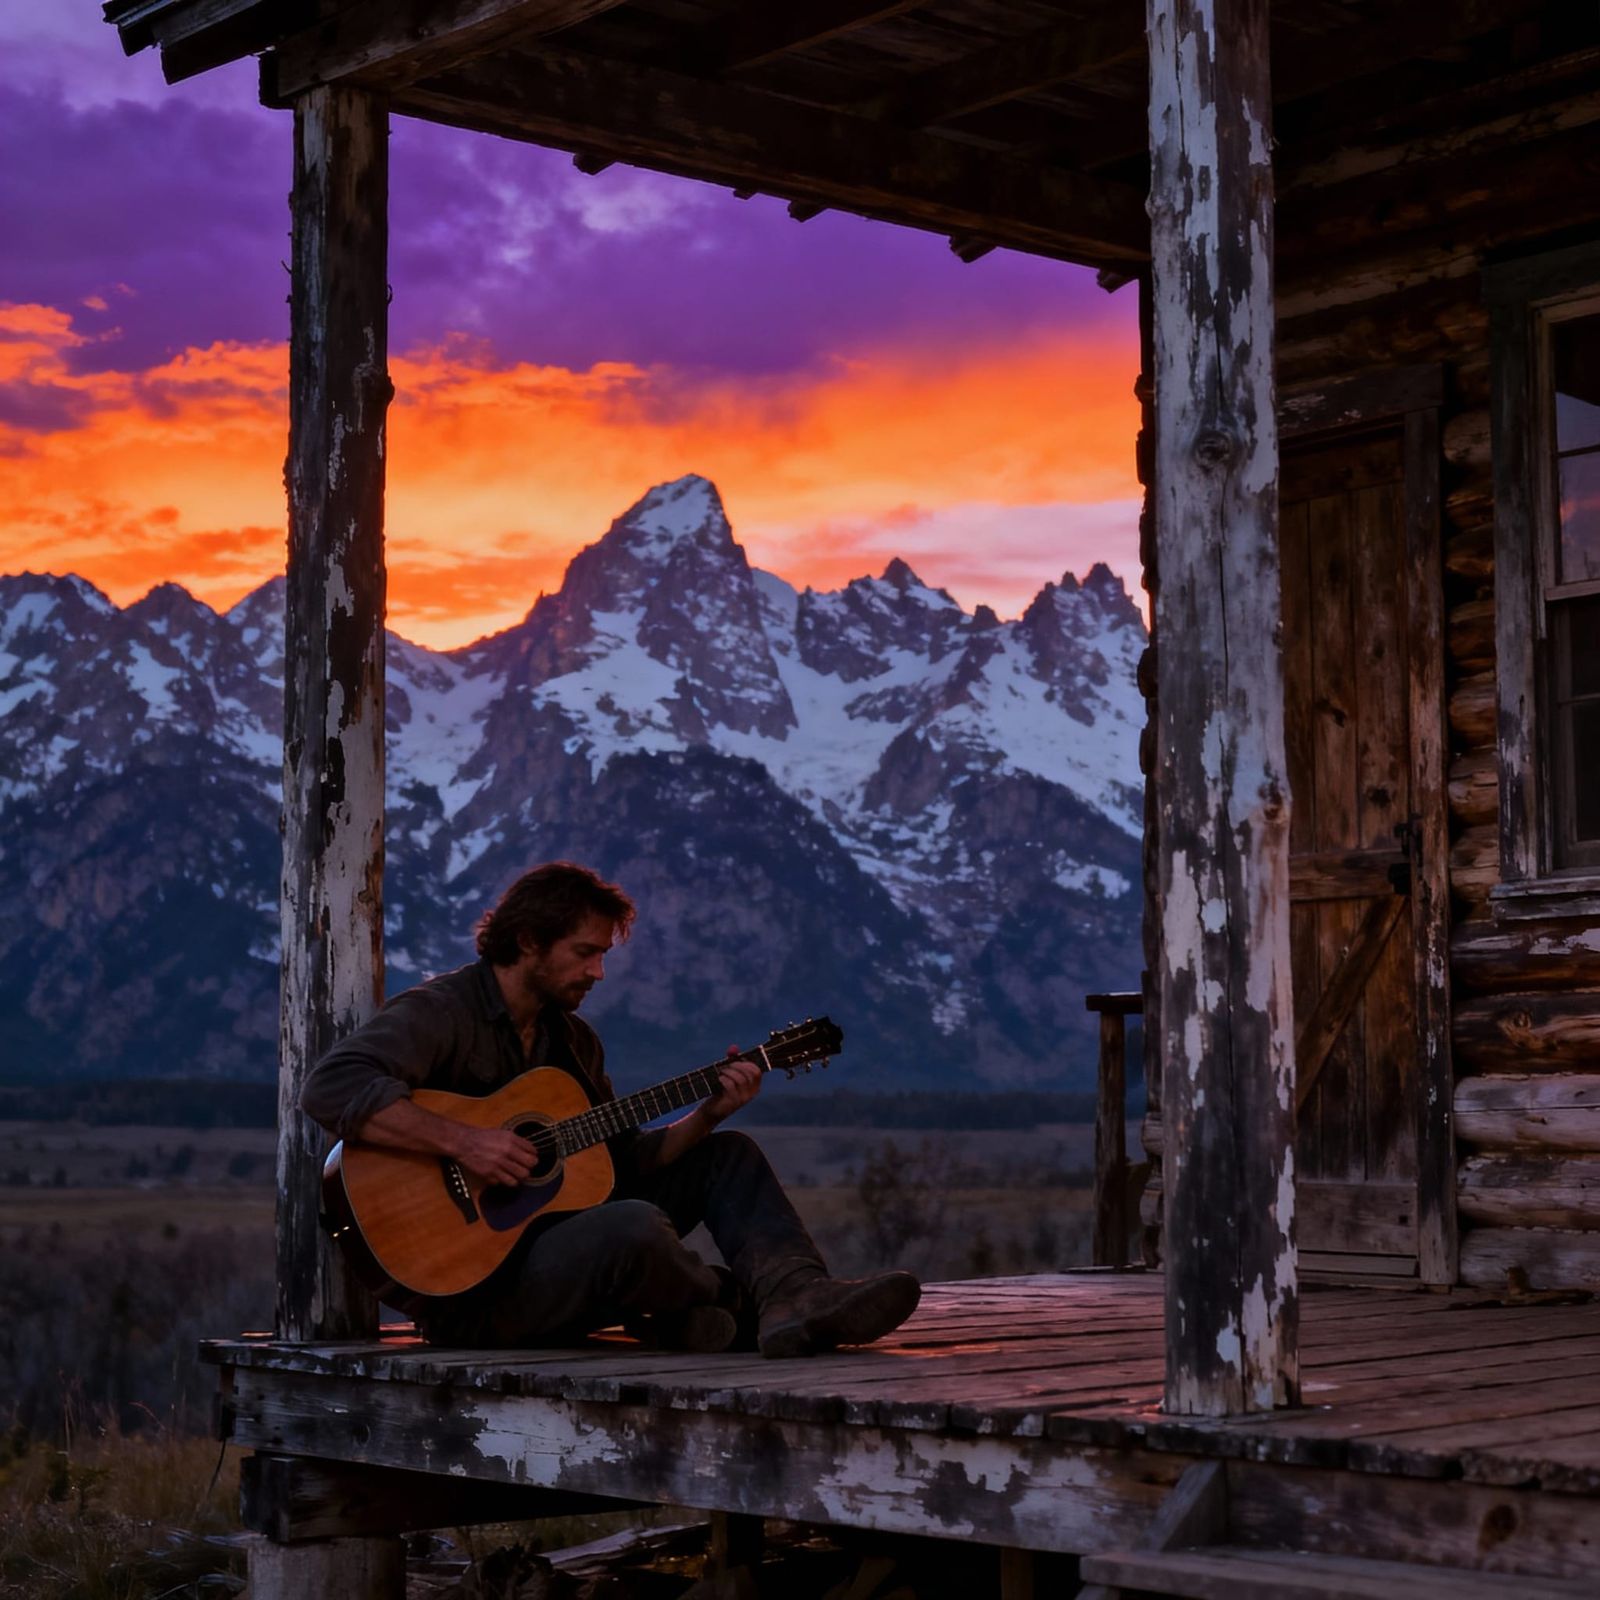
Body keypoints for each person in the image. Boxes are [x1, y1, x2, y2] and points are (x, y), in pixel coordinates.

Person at [300, 861, 920, 1356]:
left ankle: (794, 1295)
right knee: (632, 1228)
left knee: (726, 1156)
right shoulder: (441, 1012)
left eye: (603, 955)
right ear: (528, 941)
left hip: (562, 1253)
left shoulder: (571, 1042)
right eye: (584, 952)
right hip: (473, 1294)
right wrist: (467, 1143)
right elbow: (330, 1086)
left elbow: (619, 1166)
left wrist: (706, 1115)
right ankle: (733, 1306)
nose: (598, 971)